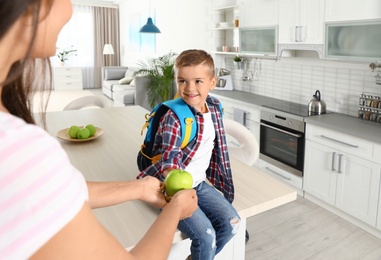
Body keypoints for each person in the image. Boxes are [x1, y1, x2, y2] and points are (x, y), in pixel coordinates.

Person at [0, 0, 198, 259]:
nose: (69, 8)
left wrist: (137, 188)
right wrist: (174, 211)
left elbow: (52, 191)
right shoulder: (19, 149)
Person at [137, 49, 241, 260]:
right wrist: (174, 182)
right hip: (173, 189)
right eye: (182, 81)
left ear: (212, 83)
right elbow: (170, 158)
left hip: (199, 183)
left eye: (198, 81)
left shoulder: (215, 107)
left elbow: (216, 148)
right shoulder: (174, 118)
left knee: (233, 224)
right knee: (206, 236)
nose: (189, 88)